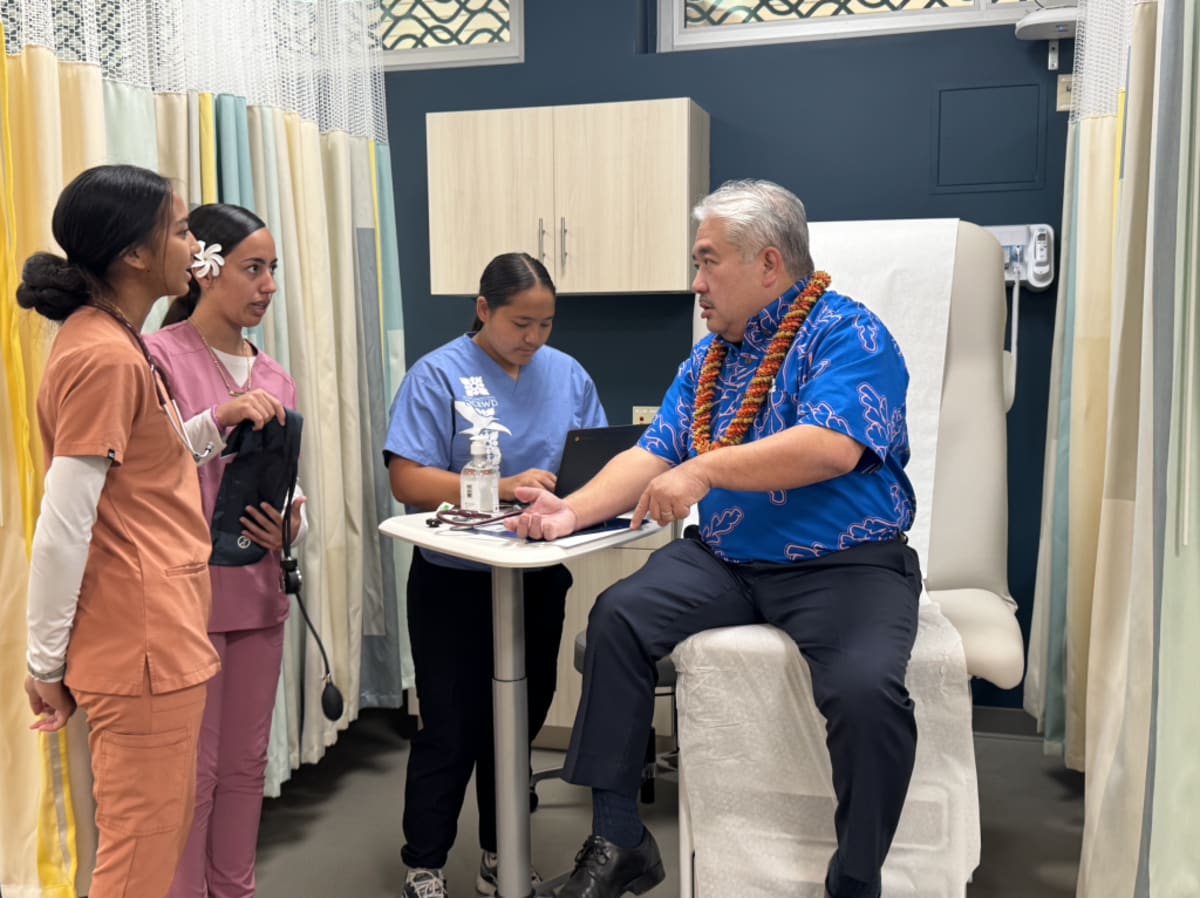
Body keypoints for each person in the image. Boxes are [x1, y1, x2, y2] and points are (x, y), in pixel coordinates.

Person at [509, 180, 923, 898]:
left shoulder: (850, 335)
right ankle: (620, 841)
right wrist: (568, 512)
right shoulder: (708, 361)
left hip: (844, 565)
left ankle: (855, 879)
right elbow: (653, 451)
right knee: (618, 619)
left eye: (707, 262)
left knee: (866, 692)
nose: (695, 283)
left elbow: (831, 446)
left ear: (768, 264)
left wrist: (704, 472)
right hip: (729, 559)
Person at [17, 164, 224, 898]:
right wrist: (43, 663)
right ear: (135, 254)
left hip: (153, 636)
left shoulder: (113, 340)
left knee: (153, 839)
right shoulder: (104, 355)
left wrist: (214, 426)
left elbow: (140, 466)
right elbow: (63, 524)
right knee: (139, 857)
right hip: (140, 648)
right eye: (179, 228)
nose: (194, 242)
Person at [383, 252, 606, 898]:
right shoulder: (439, 376)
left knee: (516, 725)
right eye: (520, 323)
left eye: (546, 324)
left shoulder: (566, 376)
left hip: (537, 576)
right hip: (454, 581)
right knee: (450, 727)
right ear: (484, 310)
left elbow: (596, 463)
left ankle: (498, 852)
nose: (534, 338)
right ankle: (424, 861)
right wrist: (503, 486)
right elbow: (408, 480)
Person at [144, 203, 305, 898]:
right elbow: (144, 471)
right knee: (193, 775)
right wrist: (218, 419)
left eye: (273, 269)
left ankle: (235, 889)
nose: (269, 285)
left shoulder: (276, 376)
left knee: (243, 767)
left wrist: (292, 523)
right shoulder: (157, 358)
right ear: (204, 269)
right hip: (185, 601)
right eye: (253, 268)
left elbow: (290, 485)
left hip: (258, 593)